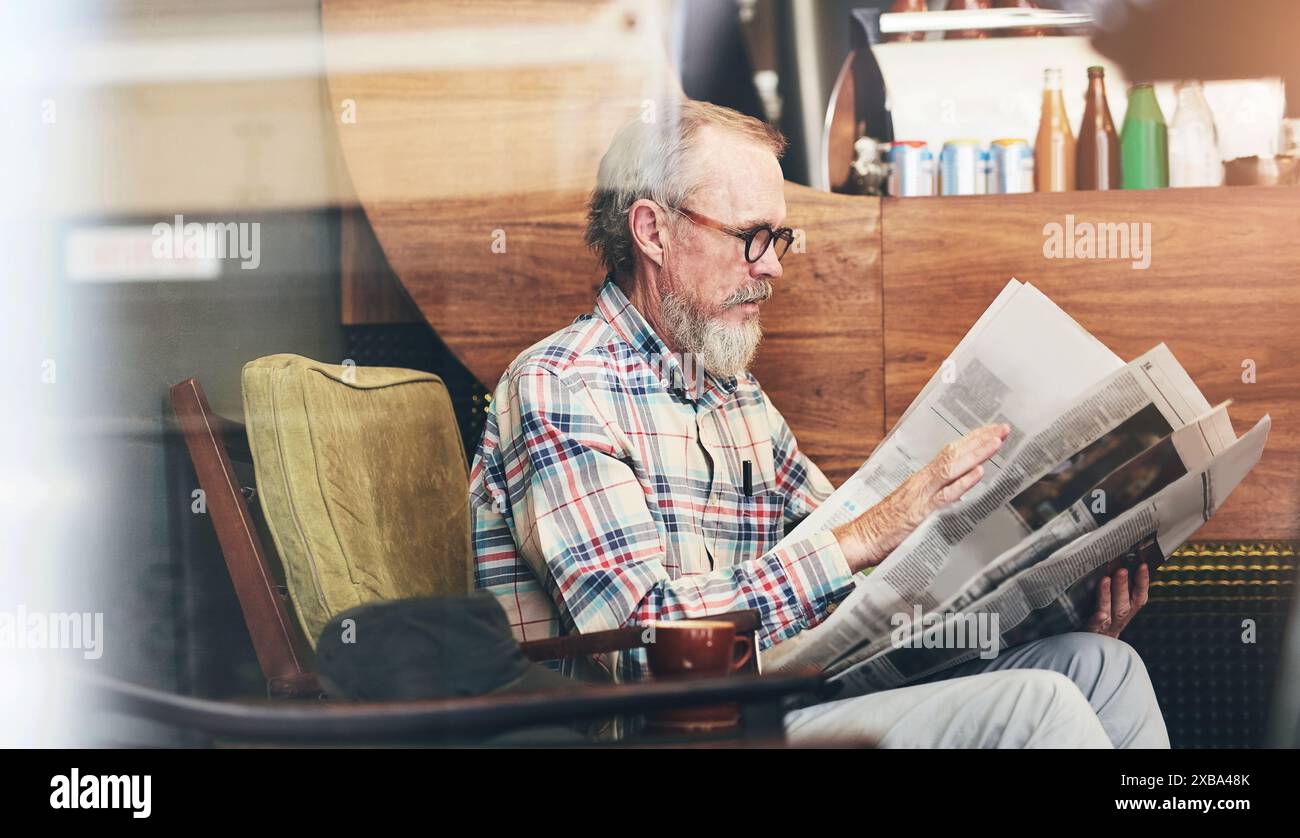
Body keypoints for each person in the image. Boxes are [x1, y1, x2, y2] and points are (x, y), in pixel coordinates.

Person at [468, 98, 1168, 747]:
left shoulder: (734, 394)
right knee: (1038, 708)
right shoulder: (561, 386)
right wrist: (862, 535)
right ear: (652, 230)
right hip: (667, 731)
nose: (773, 267)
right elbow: (642, 651)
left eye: (780, 237)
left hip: (782, 697)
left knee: (1102, 665)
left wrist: (1036, 601)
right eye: (751, 236)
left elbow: (874, 588)